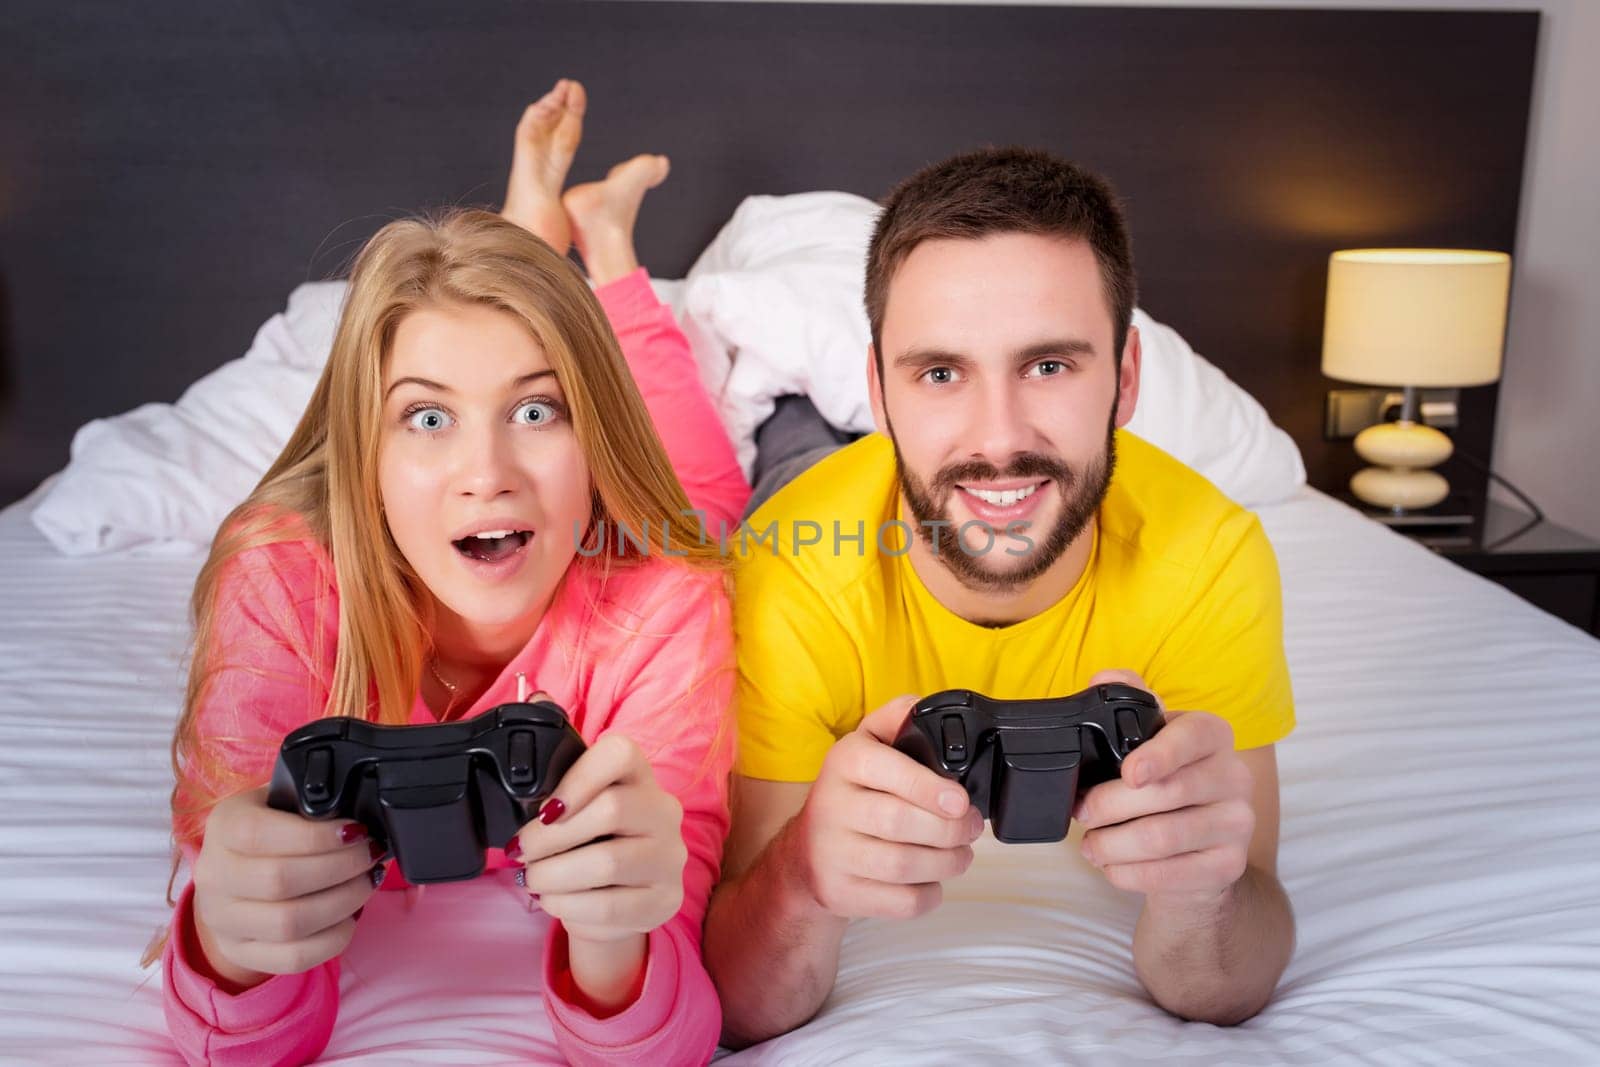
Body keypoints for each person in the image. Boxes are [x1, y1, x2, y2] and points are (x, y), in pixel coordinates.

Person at [154, 78, 750, 1065]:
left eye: (538, 411)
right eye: (426, 417)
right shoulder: (281, 579)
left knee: (708, 502)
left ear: (591, 442)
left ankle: (603, 249)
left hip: (625, 532)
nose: (486, 474)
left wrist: (619, 932)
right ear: (365, 453)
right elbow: (243, 1039)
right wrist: (228, 939)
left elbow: (660, 1028)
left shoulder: (665, 599)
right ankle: (532, 233)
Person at [703, 148, 1297, 1043]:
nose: (1000, 437)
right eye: (939, 372)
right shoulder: (784, 568)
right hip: (833, 491)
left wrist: (1203, 891)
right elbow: (741, 1004)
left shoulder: (1213, 556)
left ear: (1127, 379)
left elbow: (1229, 978)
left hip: (905, 484)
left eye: (1049, 366)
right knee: (781, 444)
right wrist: (800, 875)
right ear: (879, 389)